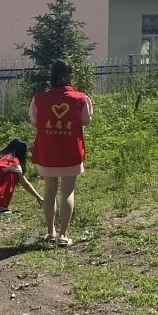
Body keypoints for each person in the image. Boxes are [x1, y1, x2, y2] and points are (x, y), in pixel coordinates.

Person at [30, 59, 94, 246]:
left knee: (49, 191)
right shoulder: (81, 98)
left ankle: (50, 232)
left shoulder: (39, 98)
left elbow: (34, 121)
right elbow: (86, 120)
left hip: (47, 152)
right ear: (69, 76)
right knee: (67, 192)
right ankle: (63, 235)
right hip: (70, 152)